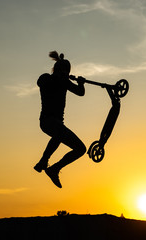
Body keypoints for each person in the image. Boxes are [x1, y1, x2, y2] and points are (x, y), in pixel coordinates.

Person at [34, 51, 86, 188]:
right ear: (57, 70)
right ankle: (44, 161)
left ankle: (54, 169)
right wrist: (59, 78)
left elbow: (80, 93)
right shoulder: (46, 78)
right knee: (58, 132)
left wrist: (81, 83)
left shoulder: (64, 82)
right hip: (46, 121)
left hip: (57, 125)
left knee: (81, 149)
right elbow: (40, 82)